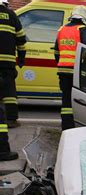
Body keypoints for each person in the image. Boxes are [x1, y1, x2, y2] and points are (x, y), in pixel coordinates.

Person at [54, 5, 86, 130]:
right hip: (78, 72)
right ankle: (83, 127)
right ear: (85, 18)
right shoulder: (83, 30)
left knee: (67, 100)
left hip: (63, 71)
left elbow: (57, 53)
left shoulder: (61, 30)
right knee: (83, 100)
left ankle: (66, 128)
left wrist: (61, 64)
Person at [0, 0, 26, 160]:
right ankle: (11, 118)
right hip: (7, 62)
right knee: (9, 91)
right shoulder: (11, 15)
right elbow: (21, 39)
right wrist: (21, 58)